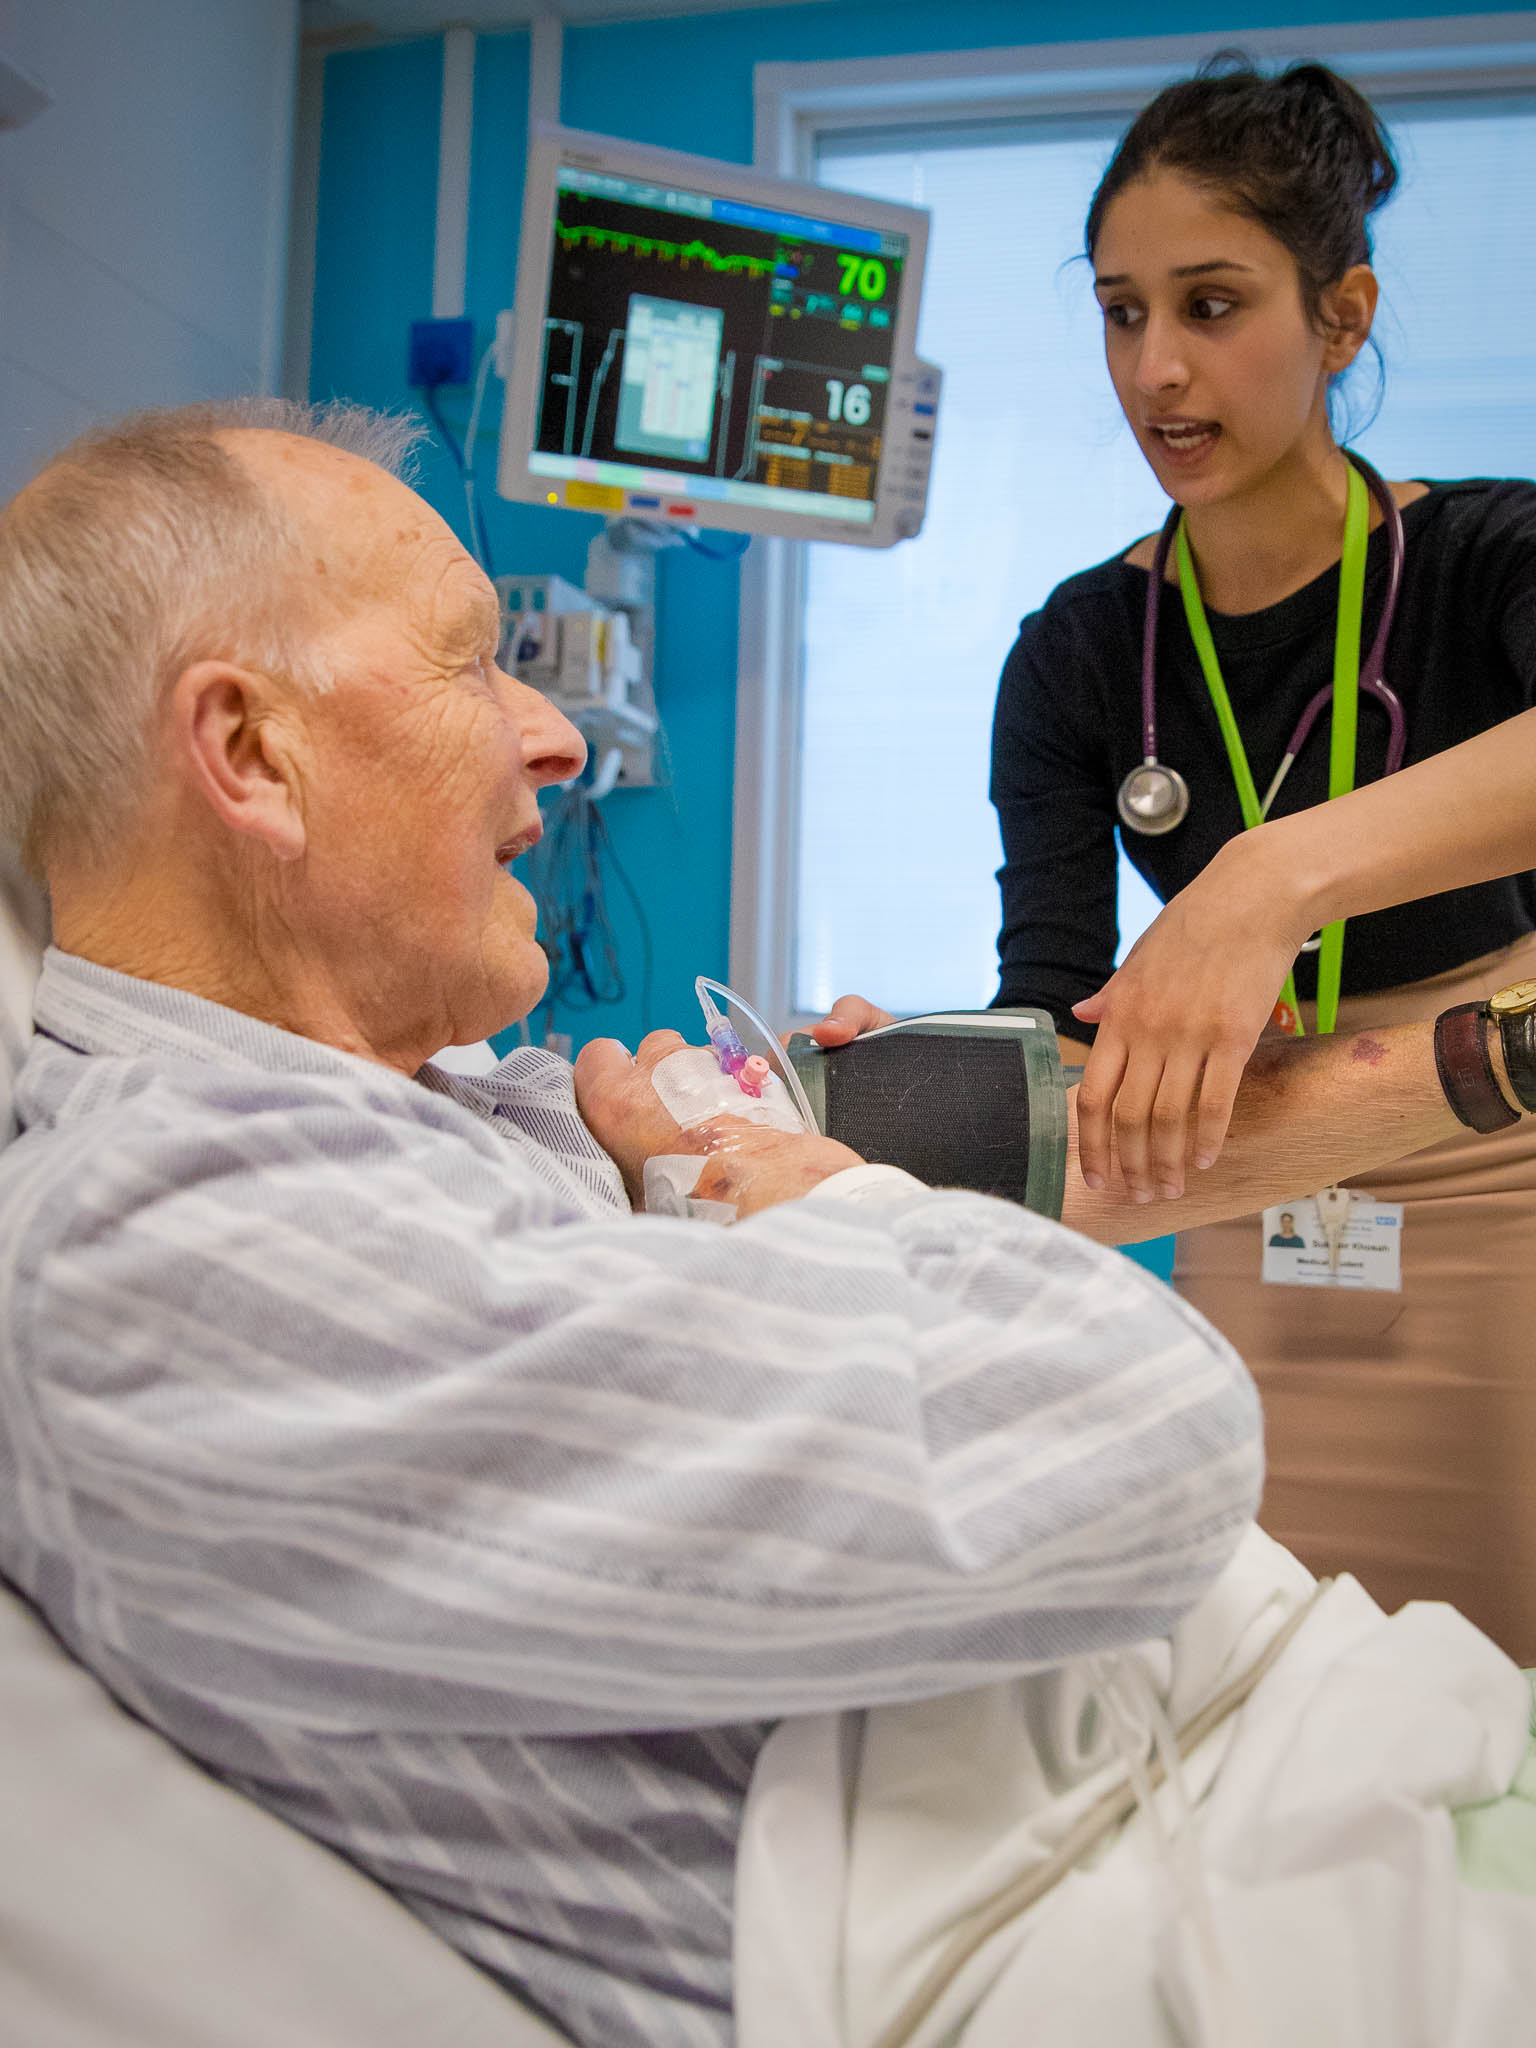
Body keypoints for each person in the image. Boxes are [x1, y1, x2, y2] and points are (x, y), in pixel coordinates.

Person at [0, 401, 1525, 2048]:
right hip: (1151, 1910)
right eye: (469, 664)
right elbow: (1147, 1451)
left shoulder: (439, 1096)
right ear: (246, 755)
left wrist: (1482, 1058)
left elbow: (1006, 1151)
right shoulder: (183, 1241)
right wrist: (843, 1214)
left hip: (1264, 1780)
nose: (559, 736)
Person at [819, 56, 1536, 1662]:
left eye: (1212, 305)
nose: (1158, 367)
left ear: (1340, 315)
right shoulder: (1080, 653)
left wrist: (1264, 880)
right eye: (1122, 312)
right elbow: (1065, 1021)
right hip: (1255, 1182)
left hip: (1508, 1154)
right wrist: (906, 1083)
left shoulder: (1491, 557)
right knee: (1272, 1669)